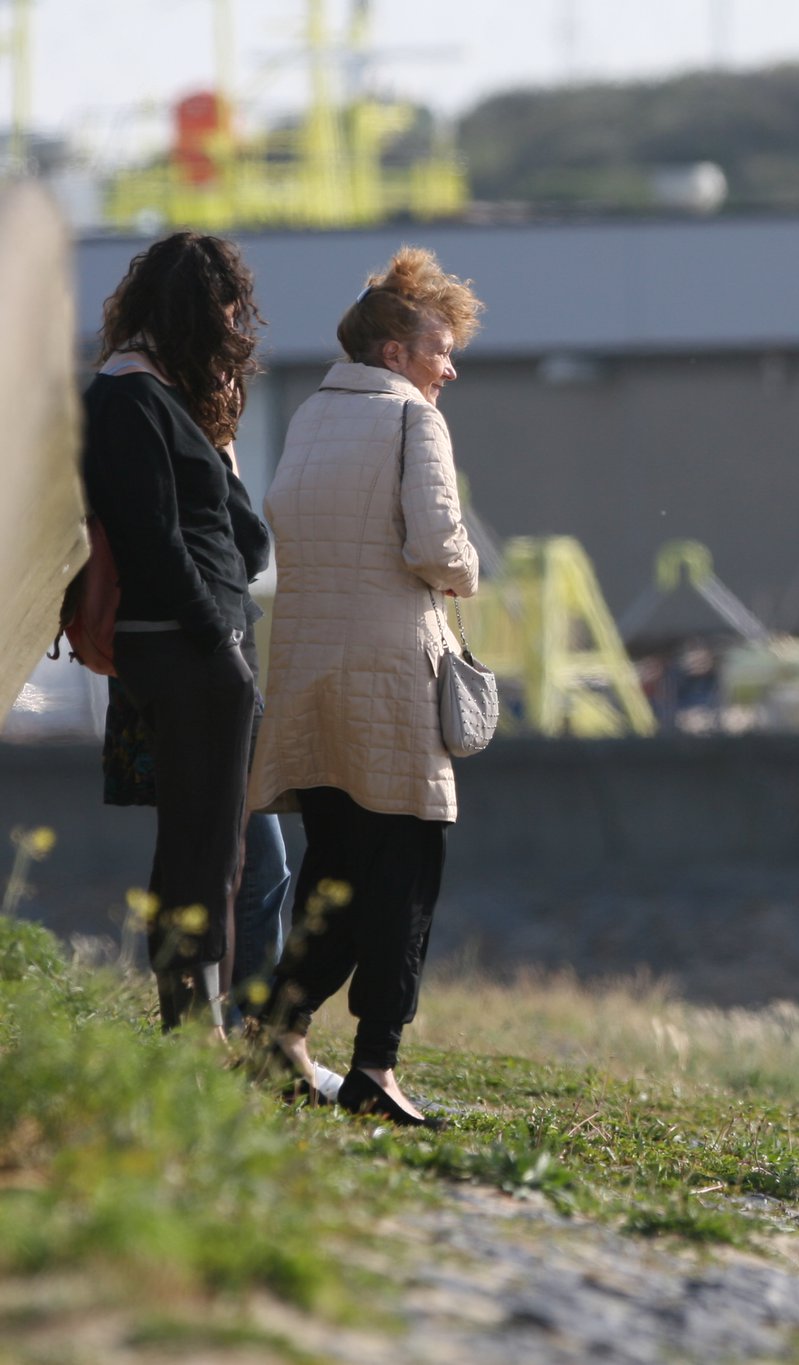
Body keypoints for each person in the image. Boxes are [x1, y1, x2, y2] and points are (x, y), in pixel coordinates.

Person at [248, 246, 483, 1128]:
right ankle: (376, 1062)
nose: (449, 366)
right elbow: (436, 547)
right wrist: (467, 571)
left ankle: (279, 1026)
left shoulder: (310, 415)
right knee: (410, 867)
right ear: (395, 352)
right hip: (390, 677)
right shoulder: (414, 421)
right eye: (440, 348)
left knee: (335, 865)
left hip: (308, 669)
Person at [80, 233, 265, 1033]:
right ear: (195, 307)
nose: (234, 327)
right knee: (207, 846)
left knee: (202, 841)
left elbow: (250, 542)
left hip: (194, 638)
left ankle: (197, 1017)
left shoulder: (164, 397)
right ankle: (196, 1022)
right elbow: (152, 538)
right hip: (188, 643)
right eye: (226, 309)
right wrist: (216, 640)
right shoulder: (128, 397)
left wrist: (220, 442)